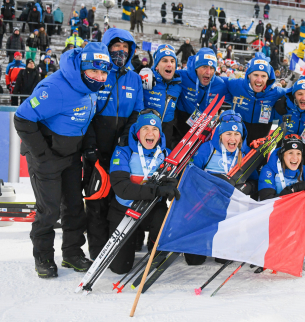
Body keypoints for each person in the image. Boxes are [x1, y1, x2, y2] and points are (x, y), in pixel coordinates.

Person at [14, 42, 112, 278]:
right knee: (48, 211)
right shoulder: (55, 88)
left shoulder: (91, 86)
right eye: (94, 71)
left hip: (71, 155)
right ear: (81, 68)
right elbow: (22, 119)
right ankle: (43, 256)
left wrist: (88, 148)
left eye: (103, 72)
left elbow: (87, 118)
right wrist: (43, 157)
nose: (99, 77)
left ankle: (71, 253)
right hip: (46, 156)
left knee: (74, 207)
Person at [82, 29, 144, 261]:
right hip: (96, 149)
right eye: (116, 47)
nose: (121, 52)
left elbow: (137, 111)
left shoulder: (134, 78)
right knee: (97, 199)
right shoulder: (98, 74)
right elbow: (86, 110)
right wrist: (89, 145)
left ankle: (117, 249)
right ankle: (98, 253)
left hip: (123, 151)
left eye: (125, 49)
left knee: (119, 199)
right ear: (107, 48)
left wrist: (126, 137)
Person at [107, 112, 179, 274]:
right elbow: (122, 189)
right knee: (120, 268)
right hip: (125, 209)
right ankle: (134, 238)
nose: (150, 133)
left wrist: (173, 183)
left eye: (154, 129)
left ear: (159, 134)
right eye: (145, 128)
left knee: (162, 217)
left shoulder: (167, 154)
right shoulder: (123, 152)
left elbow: (176, 182)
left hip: (151, 208)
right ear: (137, 132)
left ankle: (155, 247)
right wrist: (156, 190)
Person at [185, 110, 258, 265]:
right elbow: (189, 175)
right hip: (203, 207)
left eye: (236, 134)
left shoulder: (244, 153)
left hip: (228, 212)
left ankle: (224, 240)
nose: (233, 139)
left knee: (224, 260)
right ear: (219, 134)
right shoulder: (207, 149)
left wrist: (247, 187)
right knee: (194, 261)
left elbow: (254, 181)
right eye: (228, 134)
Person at [258, 134, 305, 271]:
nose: (295, 158)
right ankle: (274, 249)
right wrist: (294, 188)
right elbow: (268, 201)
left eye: (298, 153)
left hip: (294, 214)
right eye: (290, 153)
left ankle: (301, 251)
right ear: (282, 154)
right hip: (272, 215)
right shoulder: (269, 170)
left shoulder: (304, 170)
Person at [222, 52, 285, 143]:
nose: (259, 80)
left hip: (260, 146)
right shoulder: (237, 84)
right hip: (236, 143)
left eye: (263, 76)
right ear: (249, 75)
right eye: (255, 75)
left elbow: (296, 92)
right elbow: (214, 81)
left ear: (268, 78)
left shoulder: (276, 92)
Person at [175, 48, 229, 142]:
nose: (208, 72)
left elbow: (240, 89)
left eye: (212, 68)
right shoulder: (182, 76)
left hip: (203, 128)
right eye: (204, 66)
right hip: (180, 126)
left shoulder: (220, 84)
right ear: (196, 67)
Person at [273, 75, 305, 170]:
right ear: (294, 94)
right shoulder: (282, 106)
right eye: (299, 94)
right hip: (283, 150)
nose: (303, 98)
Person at [140, 44, 181, 149]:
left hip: (166, 133)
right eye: (164, 60)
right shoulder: (145, 79)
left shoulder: (178, 84)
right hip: (145, 132)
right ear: (157, 66)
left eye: (172, 61)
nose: (169, 64)